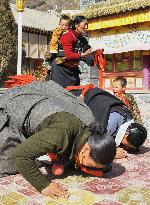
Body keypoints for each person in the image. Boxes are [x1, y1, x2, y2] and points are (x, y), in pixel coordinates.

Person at [0, 80, 116, 198]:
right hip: (17, 107)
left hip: (48, 109)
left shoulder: (88, 134)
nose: (88, 168)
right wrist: (43, 185)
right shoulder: (59, 135)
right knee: (8, 162)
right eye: (90, 165)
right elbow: (20, 155)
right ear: (86, 150)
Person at [83, 87, 147, 159]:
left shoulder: (128, 117)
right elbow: (94, 143)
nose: (127, 147)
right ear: (126, 133)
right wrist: (111, 152)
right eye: (128, 145)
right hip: (88, 97)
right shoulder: (108, 127)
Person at [50, 15, 96, 88]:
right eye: (84, 25)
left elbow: (88, 57)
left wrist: (97, 56)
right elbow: (69, 55)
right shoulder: (68, 36)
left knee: (74, 94)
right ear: (76, 25)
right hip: (60, 69)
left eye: (87, 25)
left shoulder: (83, 40)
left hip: (73, 71)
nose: (86, 27)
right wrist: (82, 55)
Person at [45, 15, 71, 80]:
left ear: (69, 26)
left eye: (66, 25)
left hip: (64, 55)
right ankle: (47, 61)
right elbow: (53, 40)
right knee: (50, 50)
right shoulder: (57, 31)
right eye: (62, 25)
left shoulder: (70, 33)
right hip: (55, 48)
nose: (64, 27)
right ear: (59, 24)